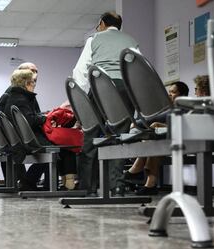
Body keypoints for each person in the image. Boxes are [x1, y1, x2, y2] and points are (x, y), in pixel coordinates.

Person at [72, 11, 139, 196]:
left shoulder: (94, 39)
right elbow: (137, 68)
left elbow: (80, 71)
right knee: (120, 137)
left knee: (92, 136)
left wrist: (83, 101)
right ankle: (116, 186)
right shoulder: (131, 41)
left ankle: (88, 188)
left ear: (101, 23)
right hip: (126, 90)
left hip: (101, 87)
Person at [3, 69, 77, 190]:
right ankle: (65, 184)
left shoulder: (15, 97)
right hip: (29, 140)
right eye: (33, 82)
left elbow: (28, 117)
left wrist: (44, 116)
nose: (34, 84)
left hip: (21, 139)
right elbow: (30, 120)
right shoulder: (21, 100)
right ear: (26, 83)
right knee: (67, 146)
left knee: (61, 147)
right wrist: (45, 118)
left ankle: (31, 181)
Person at [125, 81, 189, 195]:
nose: (169, 95)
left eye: (173, 92)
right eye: (169, 92)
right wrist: (137, 123)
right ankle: (148, 182)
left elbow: (180, 125)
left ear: (182, 95)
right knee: (154, 140)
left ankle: (138, 172)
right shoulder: (171, 108)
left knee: (154, 139)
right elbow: (156, 118)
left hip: (182, 142)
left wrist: (136, 123)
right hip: (168, 141)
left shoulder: (184, 107)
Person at [0, 62, 39, 183]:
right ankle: (27, 182)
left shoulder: (17, 93)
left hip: (15, 140)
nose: (35, 74)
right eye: (31, 71)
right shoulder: (17, 95)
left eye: (36, 71)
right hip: (19, 140)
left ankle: (26, 182)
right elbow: (29, 119)